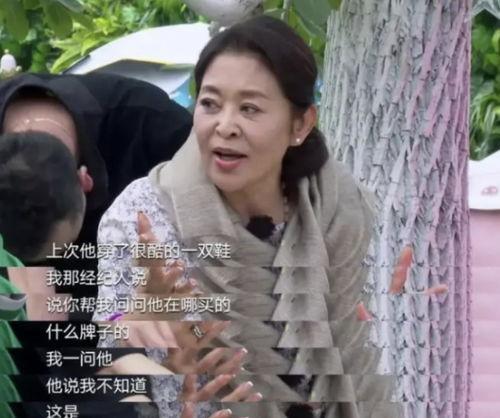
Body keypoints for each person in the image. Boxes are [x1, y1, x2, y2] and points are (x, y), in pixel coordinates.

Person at [94, 15, 406, 418]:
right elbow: (113, 364)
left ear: (301, 124)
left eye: (249, 108)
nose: (225, 126)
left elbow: (371, 343)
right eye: (210, 103)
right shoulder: (143, 216)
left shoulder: (341, 212)